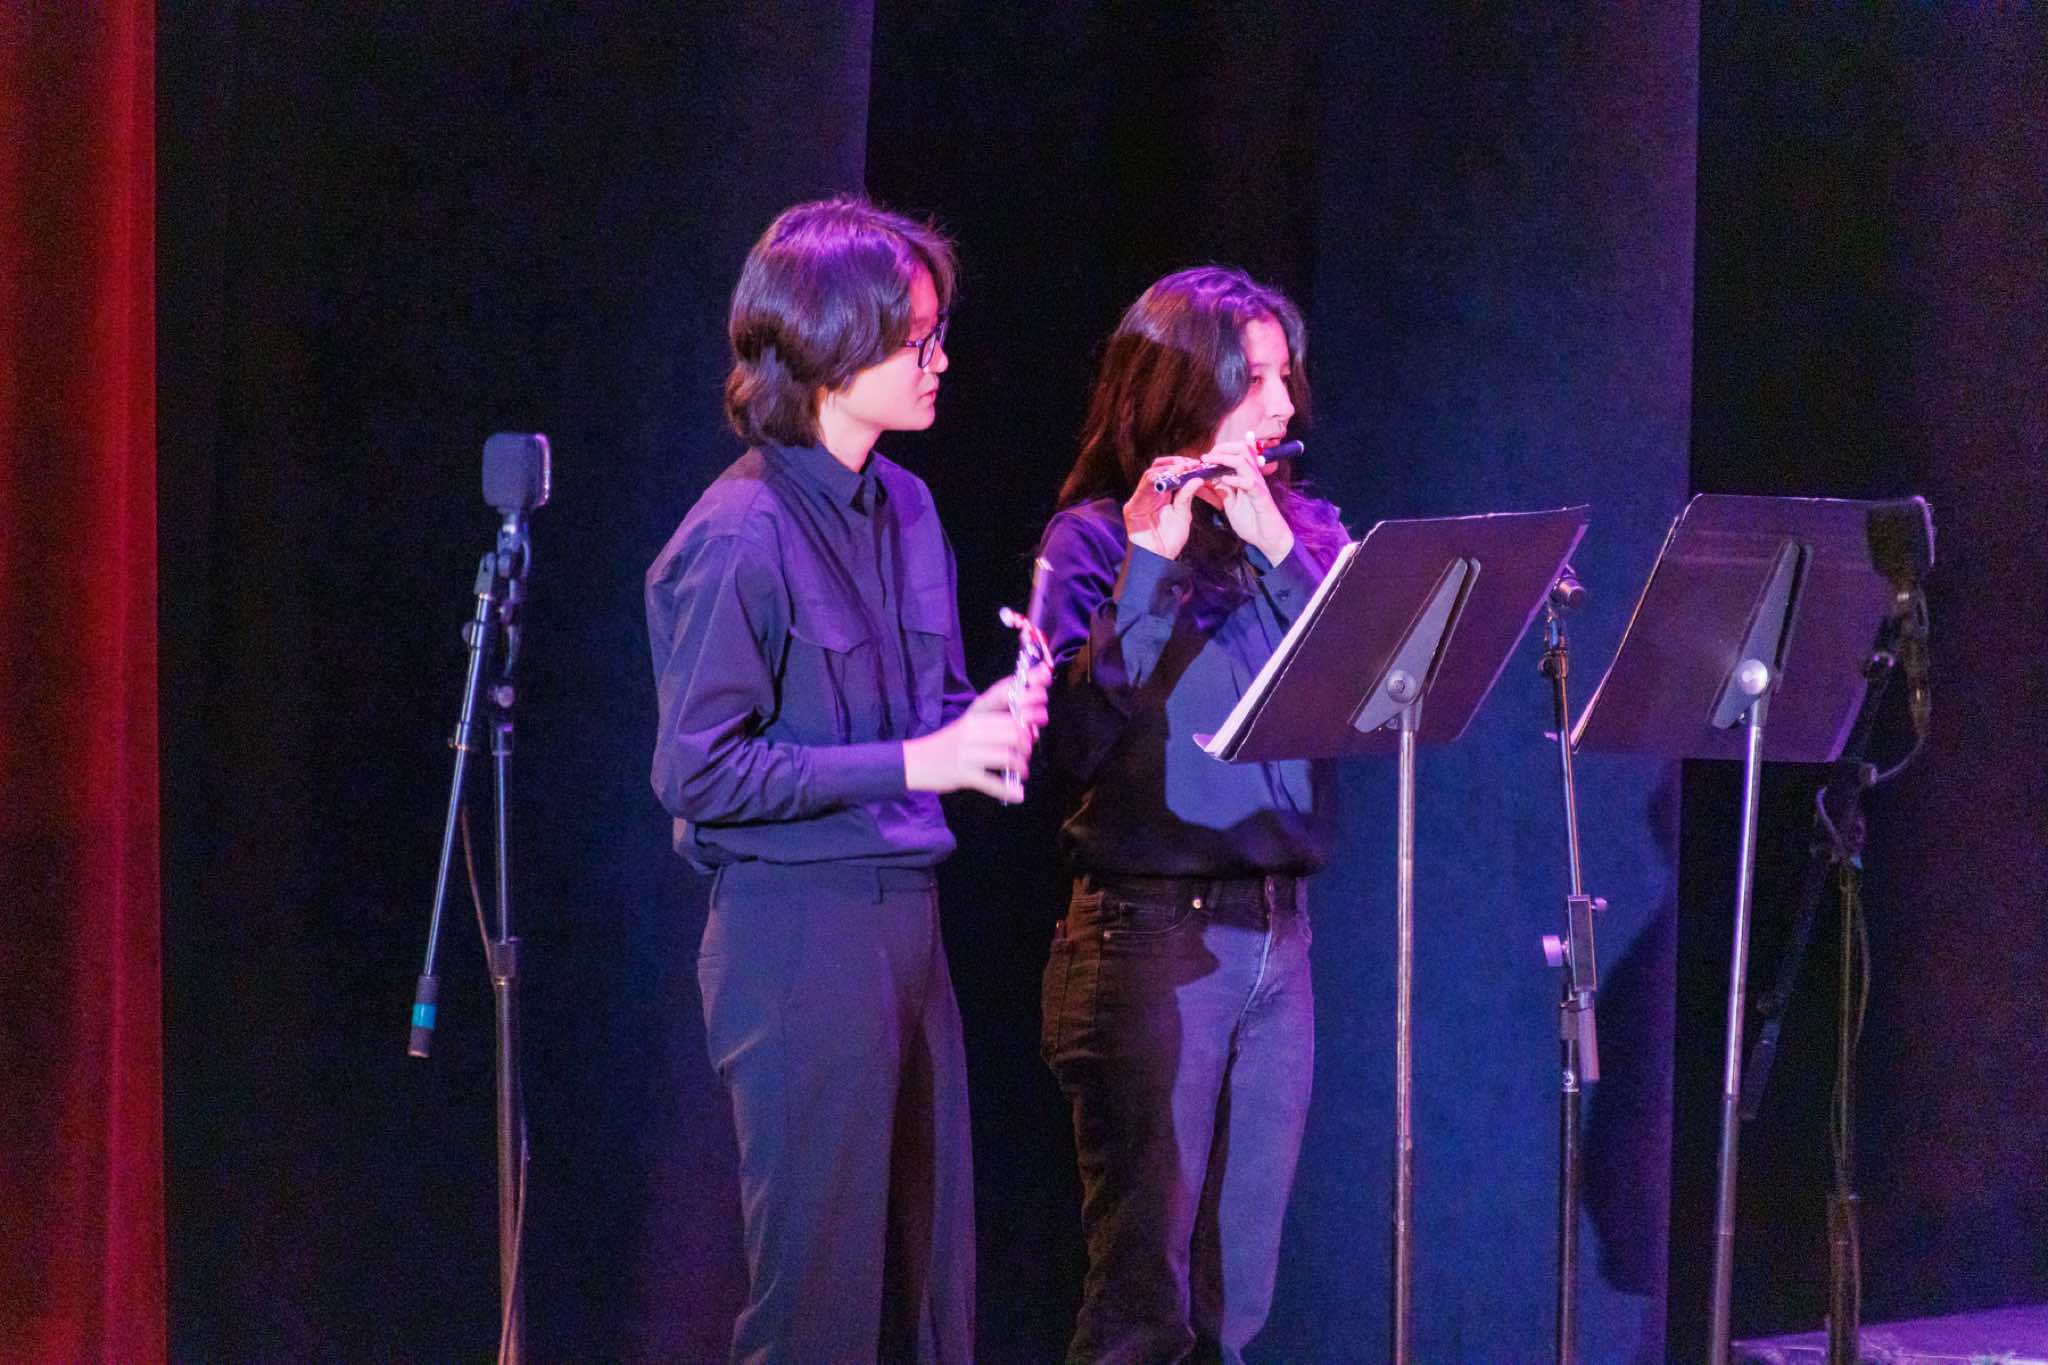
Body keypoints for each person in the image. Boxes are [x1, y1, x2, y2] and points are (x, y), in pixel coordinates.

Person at [645, 196, 1046, 1364]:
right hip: (796, 934)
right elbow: (698, 769)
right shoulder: (739, 534)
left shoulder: (907, 508)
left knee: (927, 1296)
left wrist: (987, 718)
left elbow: (928, 707)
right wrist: (919, 760)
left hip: (906, 924)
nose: (938, 359)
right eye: (914, 338)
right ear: (830, 347)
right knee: (815, 1309)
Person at [1035, 265, 1348, 1364]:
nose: (1282, 404)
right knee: (1143, 1307)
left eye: (1284, 377)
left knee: (1235, 1304)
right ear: (1180, 392)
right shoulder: (1091, 542)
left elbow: (1360, 693)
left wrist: (1278, 553)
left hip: (1279, 939)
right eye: (1253, 380)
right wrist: (1146, 570)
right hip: (1148, 941)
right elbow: (1068, 744)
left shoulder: (1305, 535)